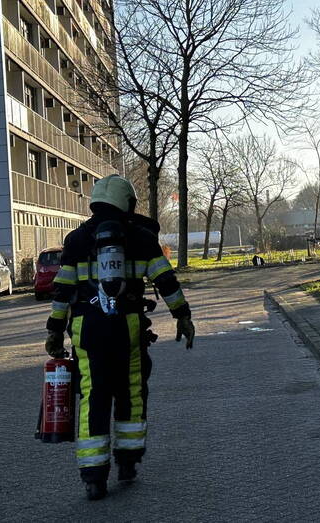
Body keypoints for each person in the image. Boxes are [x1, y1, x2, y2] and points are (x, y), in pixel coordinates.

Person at [44, 174, 195, 500]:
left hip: (87, 329)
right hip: (127, 327)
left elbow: (62, 289)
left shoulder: (77, 240)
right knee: (131, 393)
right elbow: (165, 281)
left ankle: (93, 477)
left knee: (93, 397)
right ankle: (127, 462)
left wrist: (55, 329)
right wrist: (183, 316)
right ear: (127, 202)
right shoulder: (141, 237)